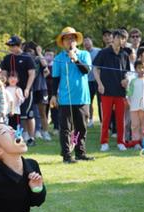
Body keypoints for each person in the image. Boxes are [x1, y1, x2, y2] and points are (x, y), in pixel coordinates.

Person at [50, 27, 94, 164]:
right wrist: (53, 95)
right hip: (65, 99)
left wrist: (75, 59)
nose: (70, 41)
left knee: (81, 127)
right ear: (62, 42)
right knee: (65, 129)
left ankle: (80, 153)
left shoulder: (85, 55)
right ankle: (67, 156)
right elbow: (55, 78)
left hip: (82, 97)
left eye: (72, 38)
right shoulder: (58, 59)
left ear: (76, 41)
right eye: (67, 38)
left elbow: (86, 70)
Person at [94, 29, 131, 152]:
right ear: (113, 38)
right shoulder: (104, 53)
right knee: (106, 119)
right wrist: (99, 84)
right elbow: (96, 69)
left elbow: (127, 72)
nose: (121, 40)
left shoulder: (125, 55)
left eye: (124, 38)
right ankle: (104, 142)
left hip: (120, 92)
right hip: (106, 91)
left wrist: (126, 80)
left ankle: (121, 142)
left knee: (120, 119)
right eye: (119, 37)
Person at [1, 36, 36, 146]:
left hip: (24, 90)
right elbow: (4, 73)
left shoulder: (27, 58)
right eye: (10, 45)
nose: (11, 48)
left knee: (28, 114)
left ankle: (31, 137)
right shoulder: (7, 58)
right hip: (11, 91)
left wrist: (27, 88)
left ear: (19, 45)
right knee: (14, 115)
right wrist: (2, 84)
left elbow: (32, 74)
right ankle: (16, 137)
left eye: (13, 45)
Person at [24, 41, 52, 141]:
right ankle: (32, 132)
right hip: (30, 88)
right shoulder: (25, 60)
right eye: (27, 51)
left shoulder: (39, 59)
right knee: (29, 112)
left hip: (41, 88)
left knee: (42, 112)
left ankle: (45, 132)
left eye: (31, 51)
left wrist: (40, 53)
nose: (29, 53)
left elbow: (46, 67)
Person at [126, 61, 144, 149]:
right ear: (135, 69)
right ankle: (136, 143)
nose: (141, 70)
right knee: (135, 125)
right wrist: (129, 101)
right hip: (134, 107)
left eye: (143, 67)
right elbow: (129, 93)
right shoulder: (133, 81)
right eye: (139, 68)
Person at [83, 36, 101, 127]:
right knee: (88, 101)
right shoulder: (82, 53)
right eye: (84, 41)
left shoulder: (98, 51)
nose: (86, 43)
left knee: (100, 101)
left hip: (98, 81)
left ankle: (102, 121)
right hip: (87, 81)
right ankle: (90, 120)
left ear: (91, 41)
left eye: (87, 41)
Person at [45, 49, 59, 134]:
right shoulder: (43, 65)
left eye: (50, 55)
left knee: (54, 110)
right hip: (44, 91)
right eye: (47, 54)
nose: (48, 56)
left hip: (53, 91)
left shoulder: (56, 65)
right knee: (44, 110)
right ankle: (44, 128)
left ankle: (56, 128)